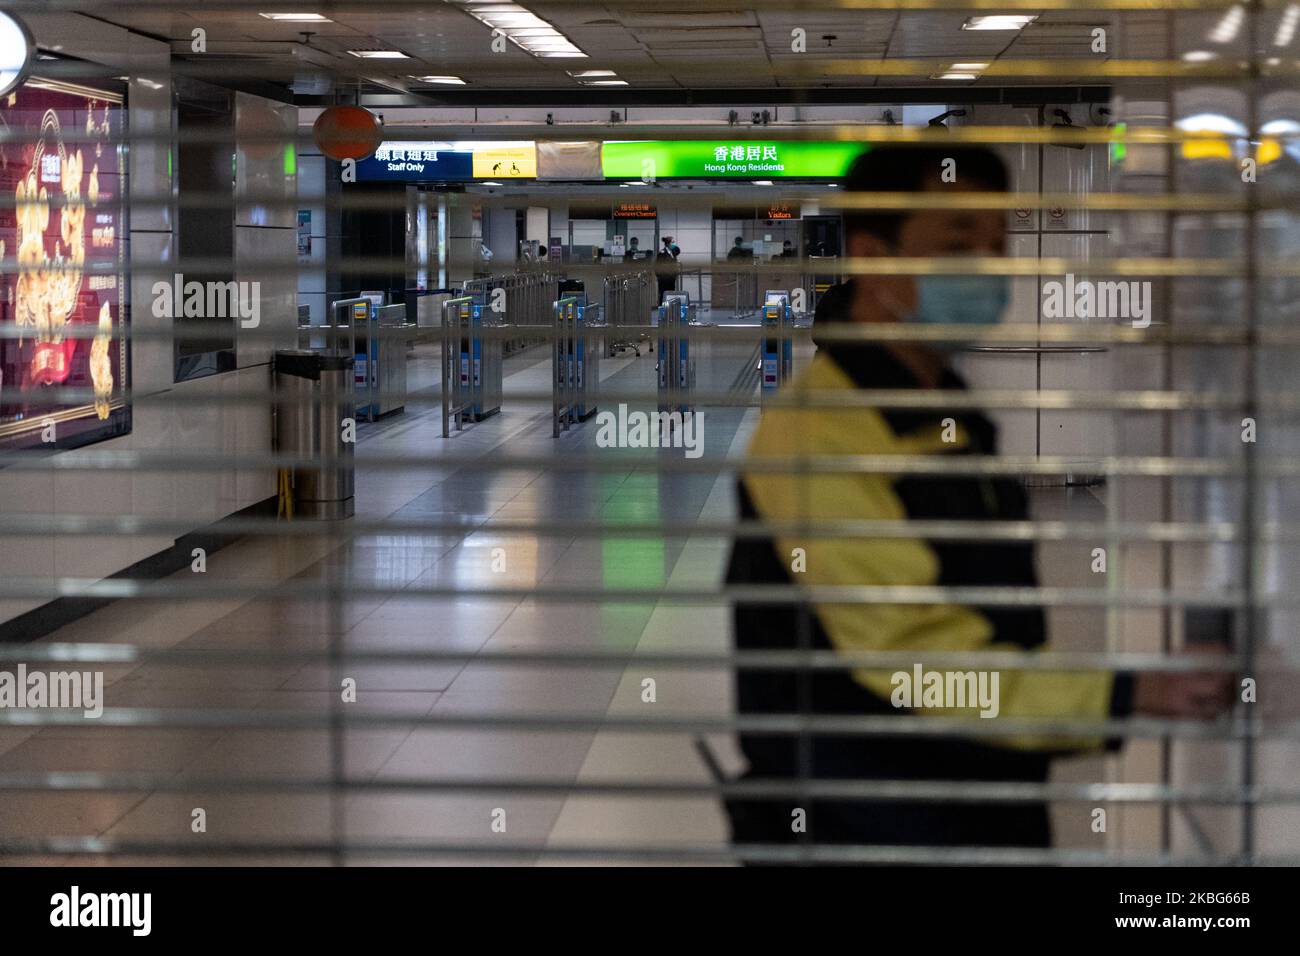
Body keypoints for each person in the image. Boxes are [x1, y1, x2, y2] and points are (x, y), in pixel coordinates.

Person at [724, 145, 1233, 858]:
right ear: (873, 257)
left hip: (969, 797)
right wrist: (1122, 695)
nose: (986, 267)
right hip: (869, 825)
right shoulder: (821, 435)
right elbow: (916, 656)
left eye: (998, 243)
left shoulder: (941, 401)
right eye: (958, 243)